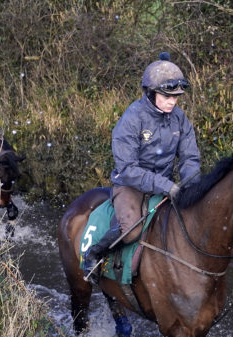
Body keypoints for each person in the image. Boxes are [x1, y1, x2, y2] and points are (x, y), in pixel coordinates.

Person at [82, 52, 201, 282]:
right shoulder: (132, 119)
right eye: (168, 96)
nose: (173, 102)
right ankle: (95, 254)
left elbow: (190, 158)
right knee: (132, 229)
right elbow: (127, 168)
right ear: (151, 92)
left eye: (176, 97)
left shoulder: (179, 118)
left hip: (163, 186)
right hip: (130, 186)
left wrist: (192, 186)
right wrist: (167, 186)